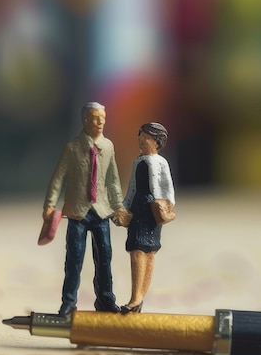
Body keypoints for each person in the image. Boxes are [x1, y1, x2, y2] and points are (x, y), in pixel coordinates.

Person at [42, 102, 129, 317]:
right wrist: (50, 204)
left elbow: (113, 180)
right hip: (77, 212)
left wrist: (118, 206)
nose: (100, 123)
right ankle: (69, 302)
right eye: (95, 118)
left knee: (105, 257)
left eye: (103, 118)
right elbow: (58, 179)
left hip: (101, 212)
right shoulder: (72, 148)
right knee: (74, 259)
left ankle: (106, 299)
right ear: (85, 120)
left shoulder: (108, 147)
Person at [117, 122, 174, 314]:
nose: (141, 141)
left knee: (149, 252)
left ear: (156, 141)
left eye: (145, 138)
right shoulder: (137, 162)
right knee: (136, 250)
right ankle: (135, 298)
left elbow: (168, 187)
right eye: (140, 138)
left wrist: (167, 206)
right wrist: (124, 207)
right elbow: (132, 188)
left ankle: (138, 298)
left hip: (154, 209)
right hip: (138, 208)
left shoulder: (161, 162)